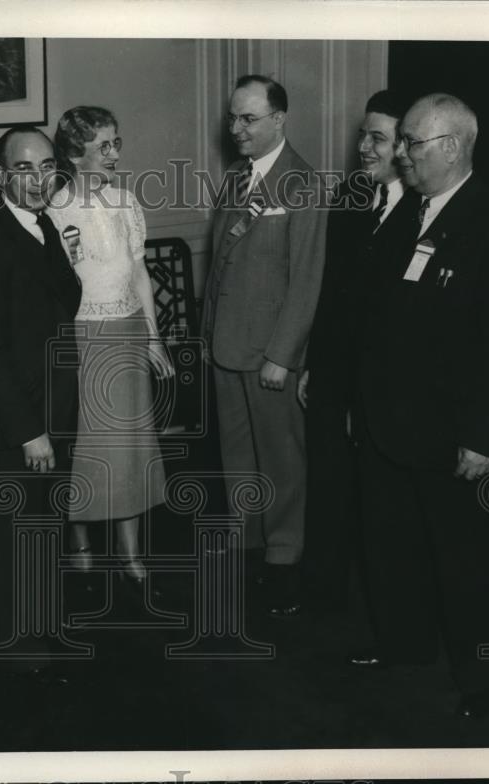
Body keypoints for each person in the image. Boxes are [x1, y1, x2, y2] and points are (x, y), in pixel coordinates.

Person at [349, 93, 489, 719]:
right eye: (401, 141)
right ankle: (405, 646)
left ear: (453, 147)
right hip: (393, 426)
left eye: (413, 143)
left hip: (458, 434)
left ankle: (481, 683)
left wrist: (483, 437)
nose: (400, 153)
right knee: (394, 546)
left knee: (468, 563)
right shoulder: (408, 216)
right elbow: (379, 323)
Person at [201, 74, 328, 617]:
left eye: (248, 118)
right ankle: (246, 543)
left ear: (279, 119)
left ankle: (283, 560)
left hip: (270, 354)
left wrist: (284, 355)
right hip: (227, 343)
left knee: (280, 461)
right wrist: (206, 333)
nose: (236, 128)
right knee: (237, 457)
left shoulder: (304, 183)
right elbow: (218, 264)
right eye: (233, 117)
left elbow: (307, 279)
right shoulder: (235, 177)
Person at [0, 126, 82, 678]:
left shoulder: (43, 225)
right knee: (12, 534)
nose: (39, 180)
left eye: (47, 166)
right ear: (1, 174)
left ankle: (43, 626)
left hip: (52, 408)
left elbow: (63, 301)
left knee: (44, 525)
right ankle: (17, 644)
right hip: (17, 422)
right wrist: (28, 430)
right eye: (25, 169)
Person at [298, 89, 418, 611]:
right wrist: (312, 362)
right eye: (362, 135)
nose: (364, 147)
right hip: (331, 370)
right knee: (326, 483)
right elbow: (329, 289)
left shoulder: (421, 209)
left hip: (381, 382)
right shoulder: (348, 194)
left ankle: (380, 609)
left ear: (406, 146)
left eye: (378, 138)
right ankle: (321, 596)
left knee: (377, 500)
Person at [47, 106, 174, 594]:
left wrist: (153, 337)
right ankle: (79, 543)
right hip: (82, 337)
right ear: (75, 154)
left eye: (117, 142)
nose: (115, 153)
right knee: (86, 448)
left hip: (126, 332)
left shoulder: (125, 202)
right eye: (104, 146)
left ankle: (130, 552)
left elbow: (139, 273)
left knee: (131, 446)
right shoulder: (55, 208)